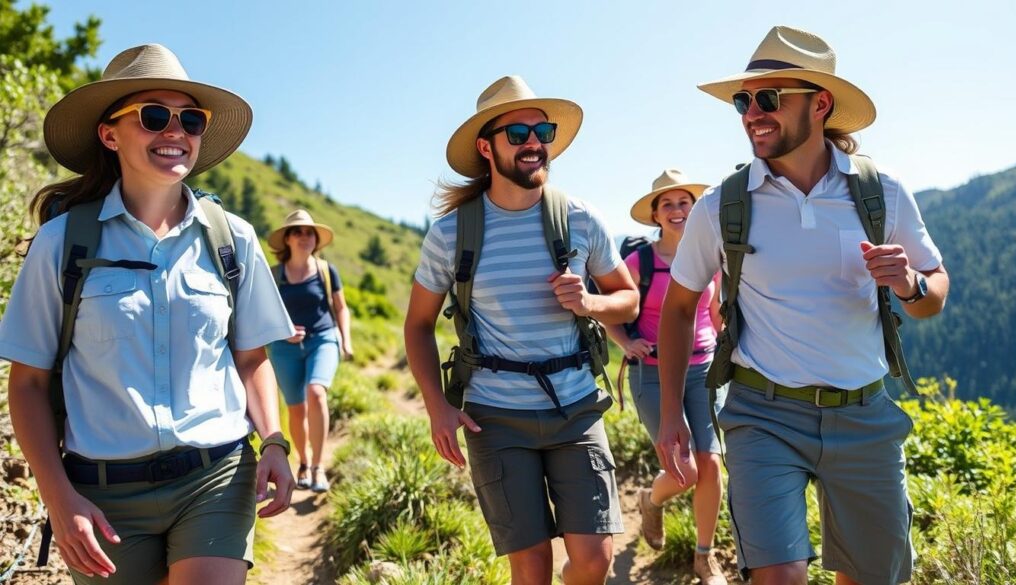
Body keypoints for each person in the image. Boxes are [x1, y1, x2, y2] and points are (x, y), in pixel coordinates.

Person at [656, 26, 949, 585]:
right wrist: (672, 413)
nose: (751, 114)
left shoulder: (882, 193)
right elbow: (678, 308)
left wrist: (910, 284)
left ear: (820, 104)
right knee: (778, 577)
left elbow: (932, 294)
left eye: (768, 98)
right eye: (743, 101)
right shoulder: (721, 206)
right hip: (762, 414)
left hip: (864, 415)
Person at [0, 44, 296, 584]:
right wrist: (58, 498)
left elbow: (251, 359)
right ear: (109, 135)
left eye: (190, 119)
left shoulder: (233, 239)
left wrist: (274, 440)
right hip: (101, 495)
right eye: (154, 116)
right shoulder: (61, 244)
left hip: (216, 478)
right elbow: (28, 383)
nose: (175, 130)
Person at [404, 75, 639, 585]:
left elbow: (628, 300)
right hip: (495, 418)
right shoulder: (451, 234)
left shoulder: (581, 218)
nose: (534, 142)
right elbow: (418, 325)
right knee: (530, 571)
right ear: (486, 147)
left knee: (594, 561)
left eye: (542, 131)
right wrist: (437, 406)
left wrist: (591, 302)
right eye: (518, 133)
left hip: (576, 408)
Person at [603, 169, 727, 584]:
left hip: (704, 369)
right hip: (653, 374)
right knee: (684, 471)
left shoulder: (710, 256)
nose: (677, 210)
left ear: (695, 209)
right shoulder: (639, 262)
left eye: (684, 203)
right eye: (667, 204)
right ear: (655, 215)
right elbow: (610, 309)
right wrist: (626, 342)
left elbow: (715, 314)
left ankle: (704, 558)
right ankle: (650, 500)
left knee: (710, 465)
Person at [266, 209, 353, 493]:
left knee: (316, 392)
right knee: (296, 409)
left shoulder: (327, 271)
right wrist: (284, 332)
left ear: (316, 240)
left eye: (309, 233)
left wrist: (346, 340)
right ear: (287, 239)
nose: (305, 237)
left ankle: (318, 467)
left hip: (323, 340)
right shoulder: (273, 274)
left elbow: (341, 307)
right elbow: (262, 315)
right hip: (284, 348)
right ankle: (302, 462)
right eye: (298, 232)